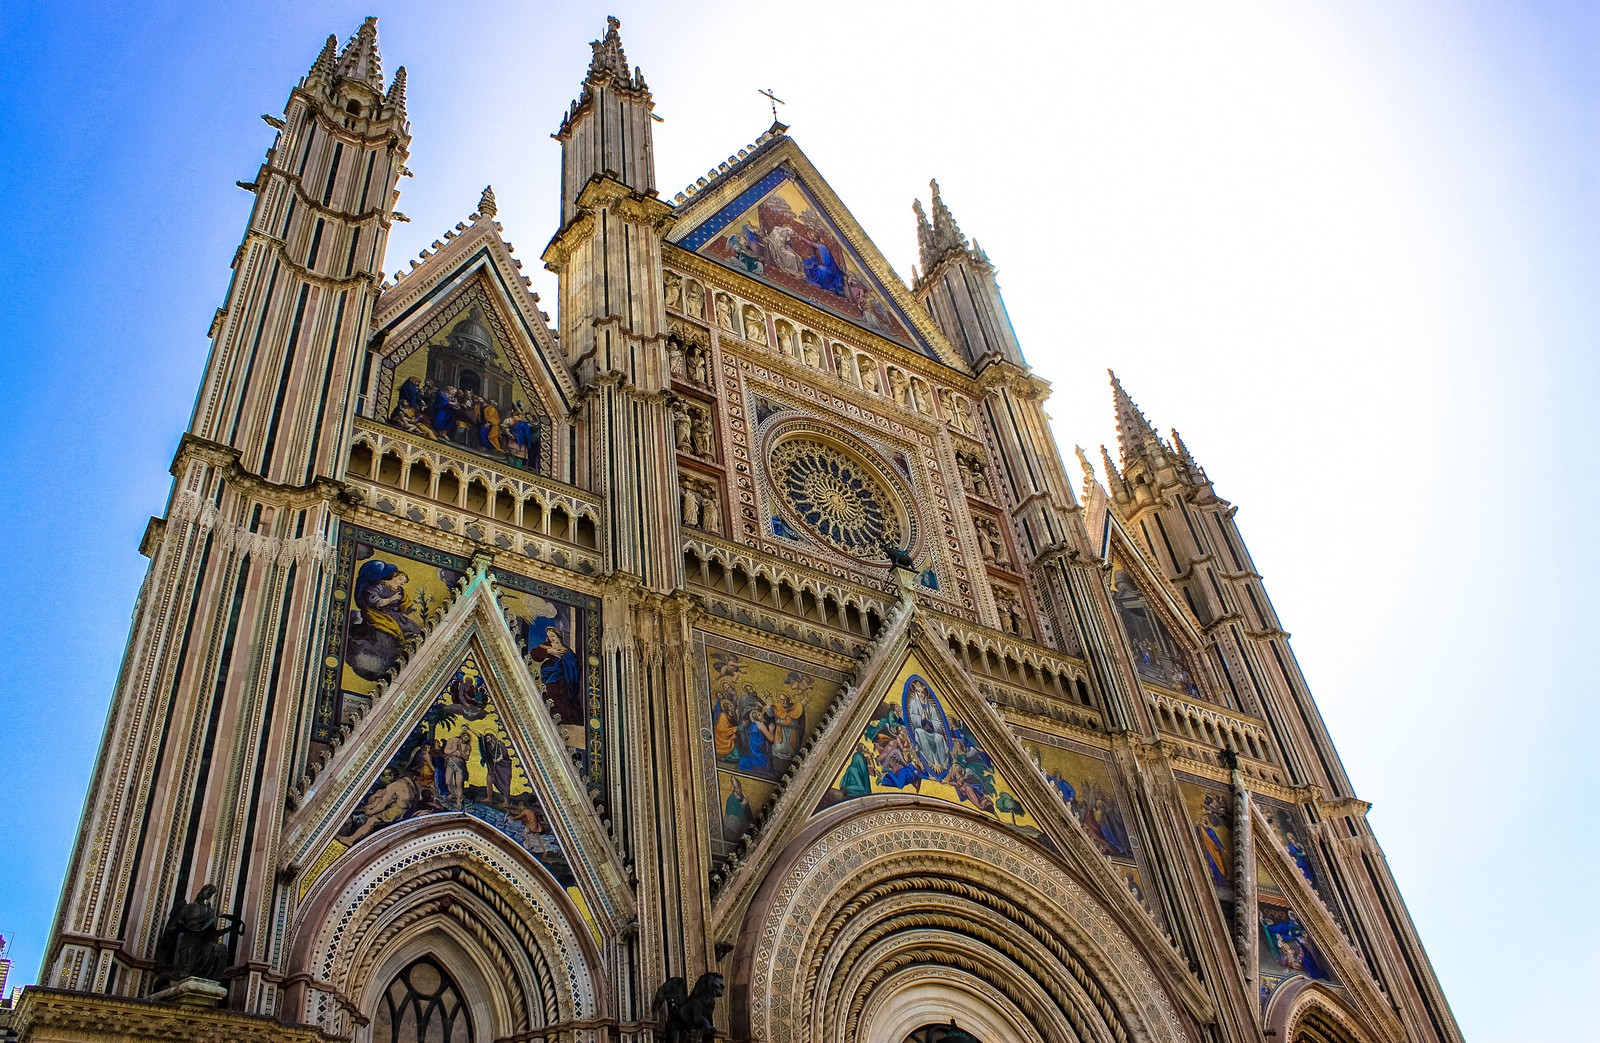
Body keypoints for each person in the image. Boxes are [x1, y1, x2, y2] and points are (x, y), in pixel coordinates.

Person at [342, 771, 423, 843]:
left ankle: (351, 840)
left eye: (385, 777)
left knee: (371, 821)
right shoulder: (408, 782)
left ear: (390, 776)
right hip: (407, 811)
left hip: (396, 811)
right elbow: (415, 798)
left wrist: (371, 812)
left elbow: (384, 804)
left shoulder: (393, 786)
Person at [527, 623, 584, 723]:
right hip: (550, 675)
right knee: (549, 693)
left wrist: (564, 660)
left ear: (558, 635)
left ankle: (564, 719)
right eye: (549, 637)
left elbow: (573, 664)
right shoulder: (547, 646)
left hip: (563, 677)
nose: (551, 639)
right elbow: (535, 654)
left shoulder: (567, 650)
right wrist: (549, 651)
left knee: (564, 697)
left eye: (553, 636)